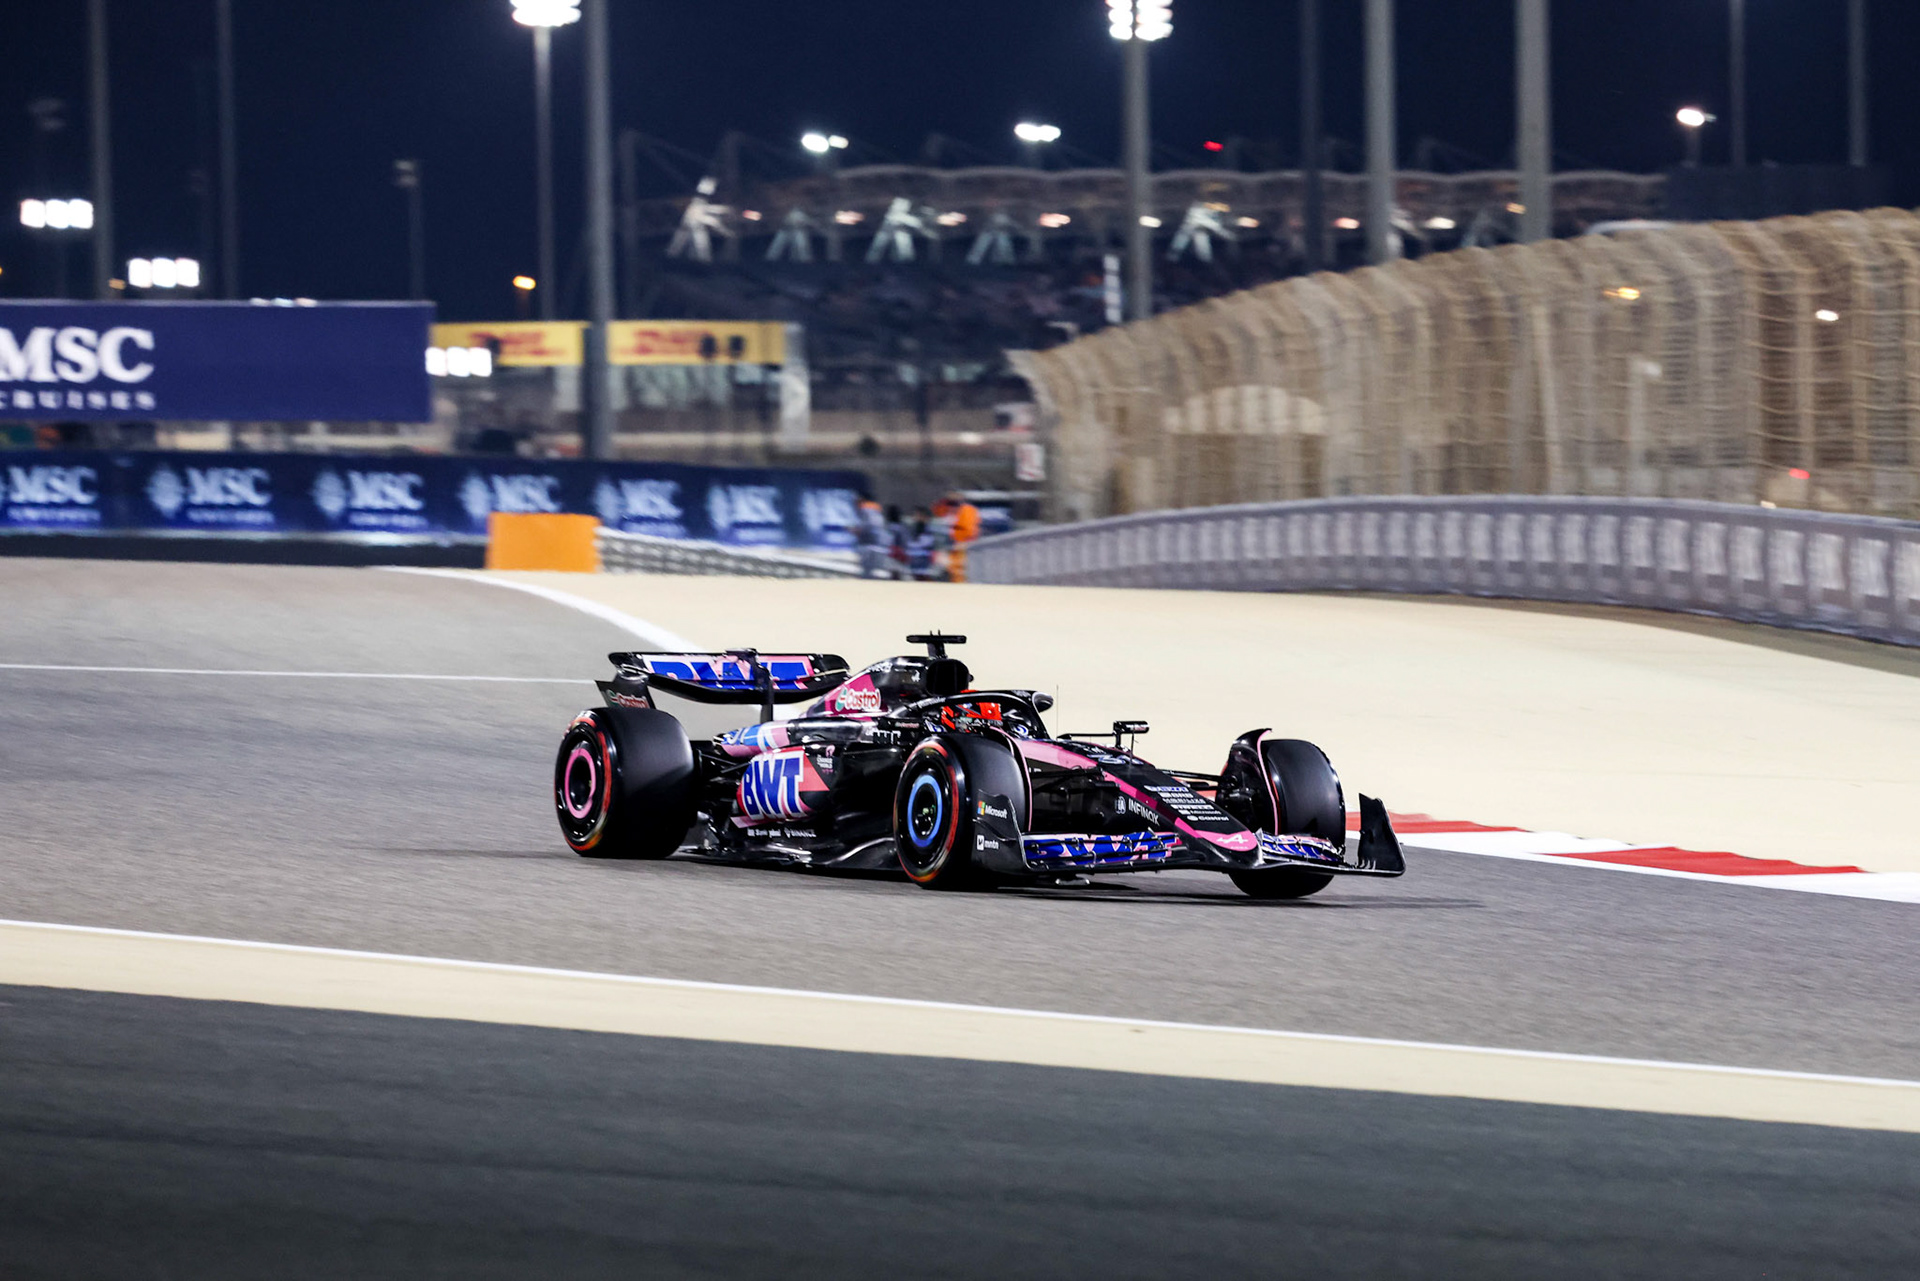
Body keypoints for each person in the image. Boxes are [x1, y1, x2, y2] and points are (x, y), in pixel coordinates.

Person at [931, 489, 982, 583]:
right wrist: (944, 501)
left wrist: (965, 542)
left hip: (962, 545)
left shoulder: (968, 510)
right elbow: (937, 511)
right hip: (946, 544)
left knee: (959, 569)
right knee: (945, 568)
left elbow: (970, 529)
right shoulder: (946, 508)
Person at [854, 497, 891, 579]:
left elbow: (865, 527)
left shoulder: (865, 511)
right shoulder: (876, 512)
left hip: (868, 544)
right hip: (878, 543)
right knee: (873, 568)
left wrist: (855, 530)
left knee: (867, 568)